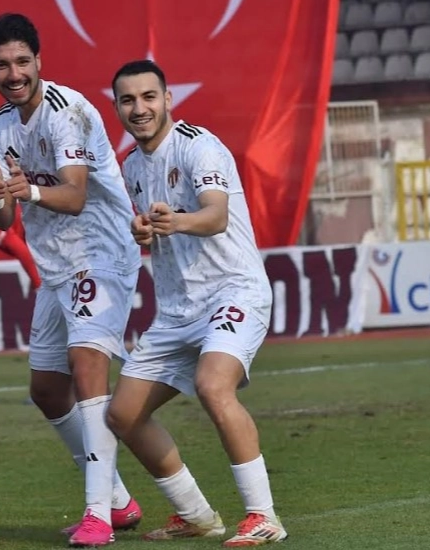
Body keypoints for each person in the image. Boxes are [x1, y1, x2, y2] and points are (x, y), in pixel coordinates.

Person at [107, 59, 288, 546]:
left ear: (168, 100)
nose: (139, 108)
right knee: (123, 413)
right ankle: (196, 515)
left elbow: (216, 216)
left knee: (213, 385)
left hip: (233, 290)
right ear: (118, 108)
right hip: (177, 310)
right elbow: (157, 229)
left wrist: (176, 221)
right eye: (128, 100)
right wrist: (143, 231)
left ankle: (264, 516)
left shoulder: (199, 146)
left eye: (149, 97)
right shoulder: (131, 165)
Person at [0, 12, 143, 547]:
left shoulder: (66, 110)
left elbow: (73, 196)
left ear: (39, 61)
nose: (14, 74)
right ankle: (117, 500)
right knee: (48, 390)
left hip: (101, 251)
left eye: (22, 61)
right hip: (55, 263)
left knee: (87, 363)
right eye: (2, 65)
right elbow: (5, 216)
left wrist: (24, 190)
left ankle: (97, 515)